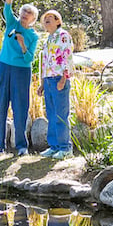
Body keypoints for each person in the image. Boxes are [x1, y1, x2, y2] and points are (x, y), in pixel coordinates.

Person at [0, 0, 39, 156]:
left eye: (28, 15)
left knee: (20, 107)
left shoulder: (33, 36)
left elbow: (29, 58)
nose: (24, 16)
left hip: (21, 71)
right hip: (4, 67)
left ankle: (21, 146)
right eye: (23, 13)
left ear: (33, 20)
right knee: (0, 105)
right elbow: (7, 9)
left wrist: (23, 44)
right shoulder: (12, 23)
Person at [36, 10, 74, 159]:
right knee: (51, 114)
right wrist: (42, 83)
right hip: (49, 80)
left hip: (59, 79)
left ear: (58, 21)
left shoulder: (63, 36)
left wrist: (63, 79)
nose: (46, 21)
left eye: (49, 19)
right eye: (45, 20)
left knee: (61, 115)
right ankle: (54, 146)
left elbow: (67, 58)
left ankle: (65, 148)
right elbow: (44, 63)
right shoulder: (48, 40)